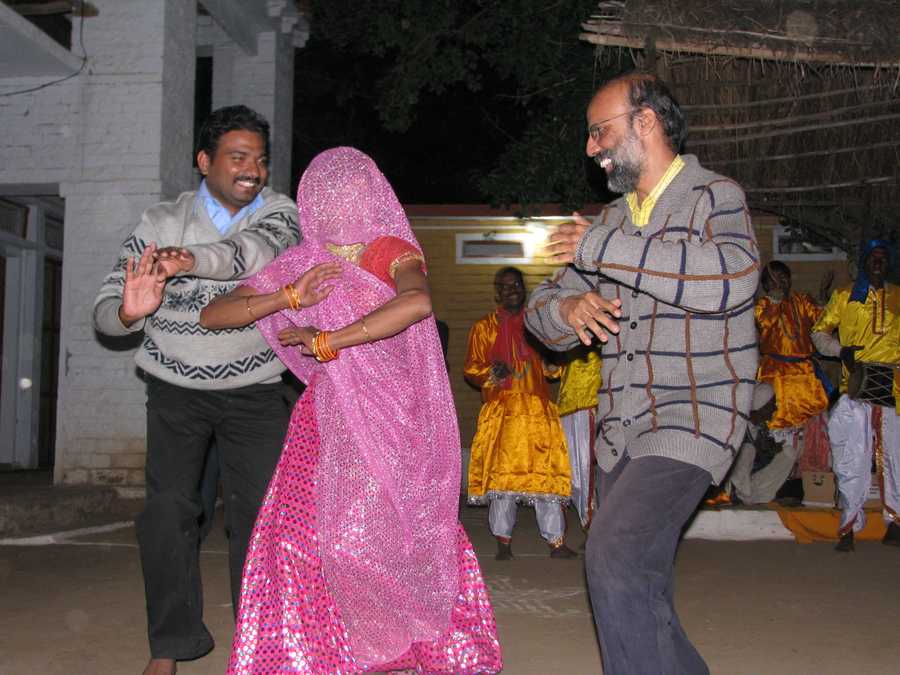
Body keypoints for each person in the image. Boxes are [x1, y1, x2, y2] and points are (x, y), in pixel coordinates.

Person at [199, 147, 502, 674]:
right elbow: (214, 313)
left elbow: (417, 303)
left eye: (350, 189)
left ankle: (403, 646)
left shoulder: (388, 250)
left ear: (370, 192)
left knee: (388, 536)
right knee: (295, 538)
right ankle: (319, 652)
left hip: (395, 415)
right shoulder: (302, 262)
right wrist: (286, 296)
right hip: (327, 416)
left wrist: (327, 341)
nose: (338, 201)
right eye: (325, 191)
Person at [526, 73, 759, 675]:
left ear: (646, 123)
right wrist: (568, 309)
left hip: (694, 417)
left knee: (613, 553)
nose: (590, 147)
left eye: (599, 130)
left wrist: (601, 248)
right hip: (620, 432)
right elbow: (540, 313)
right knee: (638, 582)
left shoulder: (713, 196)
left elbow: (732, 278)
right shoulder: (610, 220)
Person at [92, 105, 300, 675]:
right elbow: (108, 306)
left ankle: (260, 641)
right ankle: (171, 644)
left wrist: (189, 260)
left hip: (257, 388)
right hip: (175, 387)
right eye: (238, 157)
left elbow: (251, 254)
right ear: (204, 161)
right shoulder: (159, 219)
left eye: (259, 158)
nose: (252, 169)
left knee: (260, 517)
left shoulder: (281, 212)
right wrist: (127, 314)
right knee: (167, 513)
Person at [465, 267, 576, 560]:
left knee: (546, 475)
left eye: (515, 284)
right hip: (502, 412)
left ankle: (556, 542)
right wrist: (490, 372)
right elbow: (472, 368)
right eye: (504, 286)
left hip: (538, 410)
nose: (510, 290)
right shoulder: (484, 328)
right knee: (503, 480)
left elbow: (554, 368)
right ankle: (503, 541)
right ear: (496, 292)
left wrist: (552, 363)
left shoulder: (537, 325)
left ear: (523, 289)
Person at [812, 240, 900, 552]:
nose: (878, 263)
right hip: (858, 388)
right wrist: (841, 350)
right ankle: (848, 525)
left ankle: (896, 522)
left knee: (897, 459)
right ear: (864, 262)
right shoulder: (845, 295)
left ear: (888, 263)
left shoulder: (898, 296)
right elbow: (819, 333)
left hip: (895, 389)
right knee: (852, 459)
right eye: (873, 258)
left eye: (883, 258)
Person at [556, 346, 602, 529]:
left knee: (586, 468)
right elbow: (554, 371)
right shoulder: (571, 331)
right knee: (567, 469)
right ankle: (574, 525)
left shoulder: (604, 332)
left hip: (589, 402)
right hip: (566, 405)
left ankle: (592, 524)